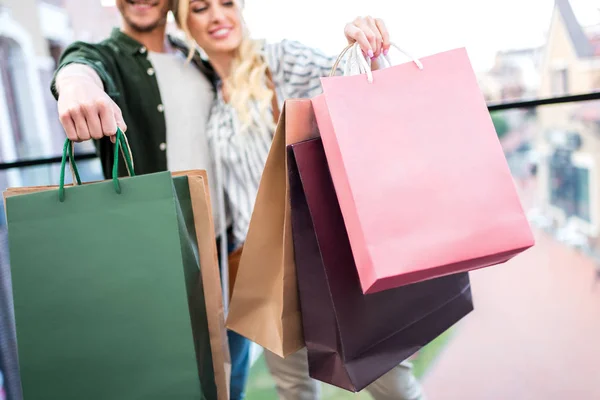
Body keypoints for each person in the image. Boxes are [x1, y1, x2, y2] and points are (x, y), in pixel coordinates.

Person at [174, 0, 426, 399]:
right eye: (201, 8)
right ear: (184, 22)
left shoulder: (278, 57)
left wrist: (363, 45)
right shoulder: (208, 91)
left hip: (325, 257)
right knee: (294, 391)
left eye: (226, 3)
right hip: (263, 271)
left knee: (391, 383)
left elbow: (346, 82)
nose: (218, 16)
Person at [50, 1, 250, 399]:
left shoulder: (198, 60)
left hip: (224, 249)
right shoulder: (105, 56)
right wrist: (77, 86)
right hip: (155, 258)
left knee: (231, 382)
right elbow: (78, 66)